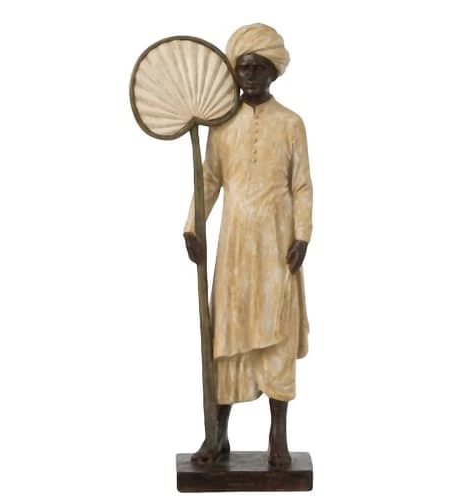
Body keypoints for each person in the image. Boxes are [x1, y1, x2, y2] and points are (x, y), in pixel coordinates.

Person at [183, 23, 313, 467]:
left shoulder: (291, 124)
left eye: (258, 68)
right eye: (243, 68)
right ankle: (217, 436)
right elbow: (209, 180)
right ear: (234, 72)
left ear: (273, 71)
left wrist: (302, 235)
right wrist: (193, 227)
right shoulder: (221, 126)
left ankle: (278, 437)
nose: (251, 75)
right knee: (227, 335)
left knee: (278, 333)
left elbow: (301, 185)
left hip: (277, 247)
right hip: (235, 249)